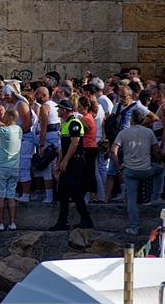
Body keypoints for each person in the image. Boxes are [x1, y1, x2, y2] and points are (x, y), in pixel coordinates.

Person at [112, 111, 163, 235]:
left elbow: (113, 151)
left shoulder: (123, 133)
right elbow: (156, 150)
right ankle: (156, 196)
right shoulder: (149, 132)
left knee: (132, 200)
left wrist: (118, 167)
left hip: (130, 171)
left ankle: (134, 227)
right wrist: (161, 160)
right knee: (161, 170)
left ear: (131, 120)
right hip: (146, 170)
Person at [49, 100, 93, 231]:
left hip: (75, 161)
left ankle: (86, 219)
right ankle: (63, 221)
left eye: (59, 109)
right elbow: (64, 146)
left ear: (65, 110)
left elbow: (75, 143)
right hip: (69, 161)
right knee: (63, 192)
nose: (57, 111)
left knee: (75, 192)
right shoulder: (65, 124)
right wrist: (59, 162)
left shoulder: (74, 123)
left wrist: (65, 161)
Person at [76, 97, 98, 204]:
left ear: (85, 107)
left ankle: (92, 195)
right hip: (90, 147)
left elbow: (82, 131)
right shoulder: (88, 117)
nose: (78, 108)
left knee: (88, 172)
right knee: (88, 172)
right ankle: (91, 195)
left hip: (88, 147)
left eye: (79, 106)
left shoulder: (85, 119)